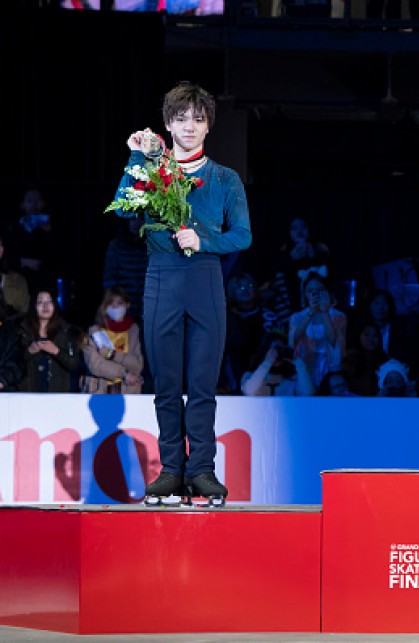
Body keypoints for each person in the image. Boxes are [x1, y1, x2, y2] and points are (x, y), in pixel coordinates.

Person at [110, 81, 252, 505]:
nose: (190, 126)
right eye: (181, 118)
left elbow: (243, 235)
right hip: (161, 280)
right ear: (168, 125)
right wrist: (137, 156)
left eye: (199, 118)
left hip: (206, 280)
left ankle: (202, 470)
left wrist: (203, 241)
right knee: (167, 384)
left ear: (208, 126)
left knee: (203, 384)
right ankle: (171, 469)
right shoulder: (154, 172)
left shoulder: (225, 178)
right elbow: (121, 206)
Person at [17, 289, 83, 393]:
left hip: (56, 396)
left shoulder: (66, 331)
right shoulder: (22, 331)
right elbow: (11, 363)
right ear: (33, 306)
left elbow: (74, 364)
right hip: (28, 395)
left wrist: (56, 351)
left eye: (49, 302)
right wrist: (29, 351)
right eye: (40, 302)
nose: (45, 306)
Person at [81, 286, 145, 394]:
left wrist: (112, 355)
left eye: (119, 303)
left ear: (127, 305)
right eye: (110, 303)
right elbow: (95, 364)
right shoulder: (94, 332)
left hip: (128, 392)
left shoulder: (135, 331)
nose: (115, 307)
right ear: (104, 307)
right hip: (99, 391)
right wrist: (124, 373)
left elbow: (137, 365)